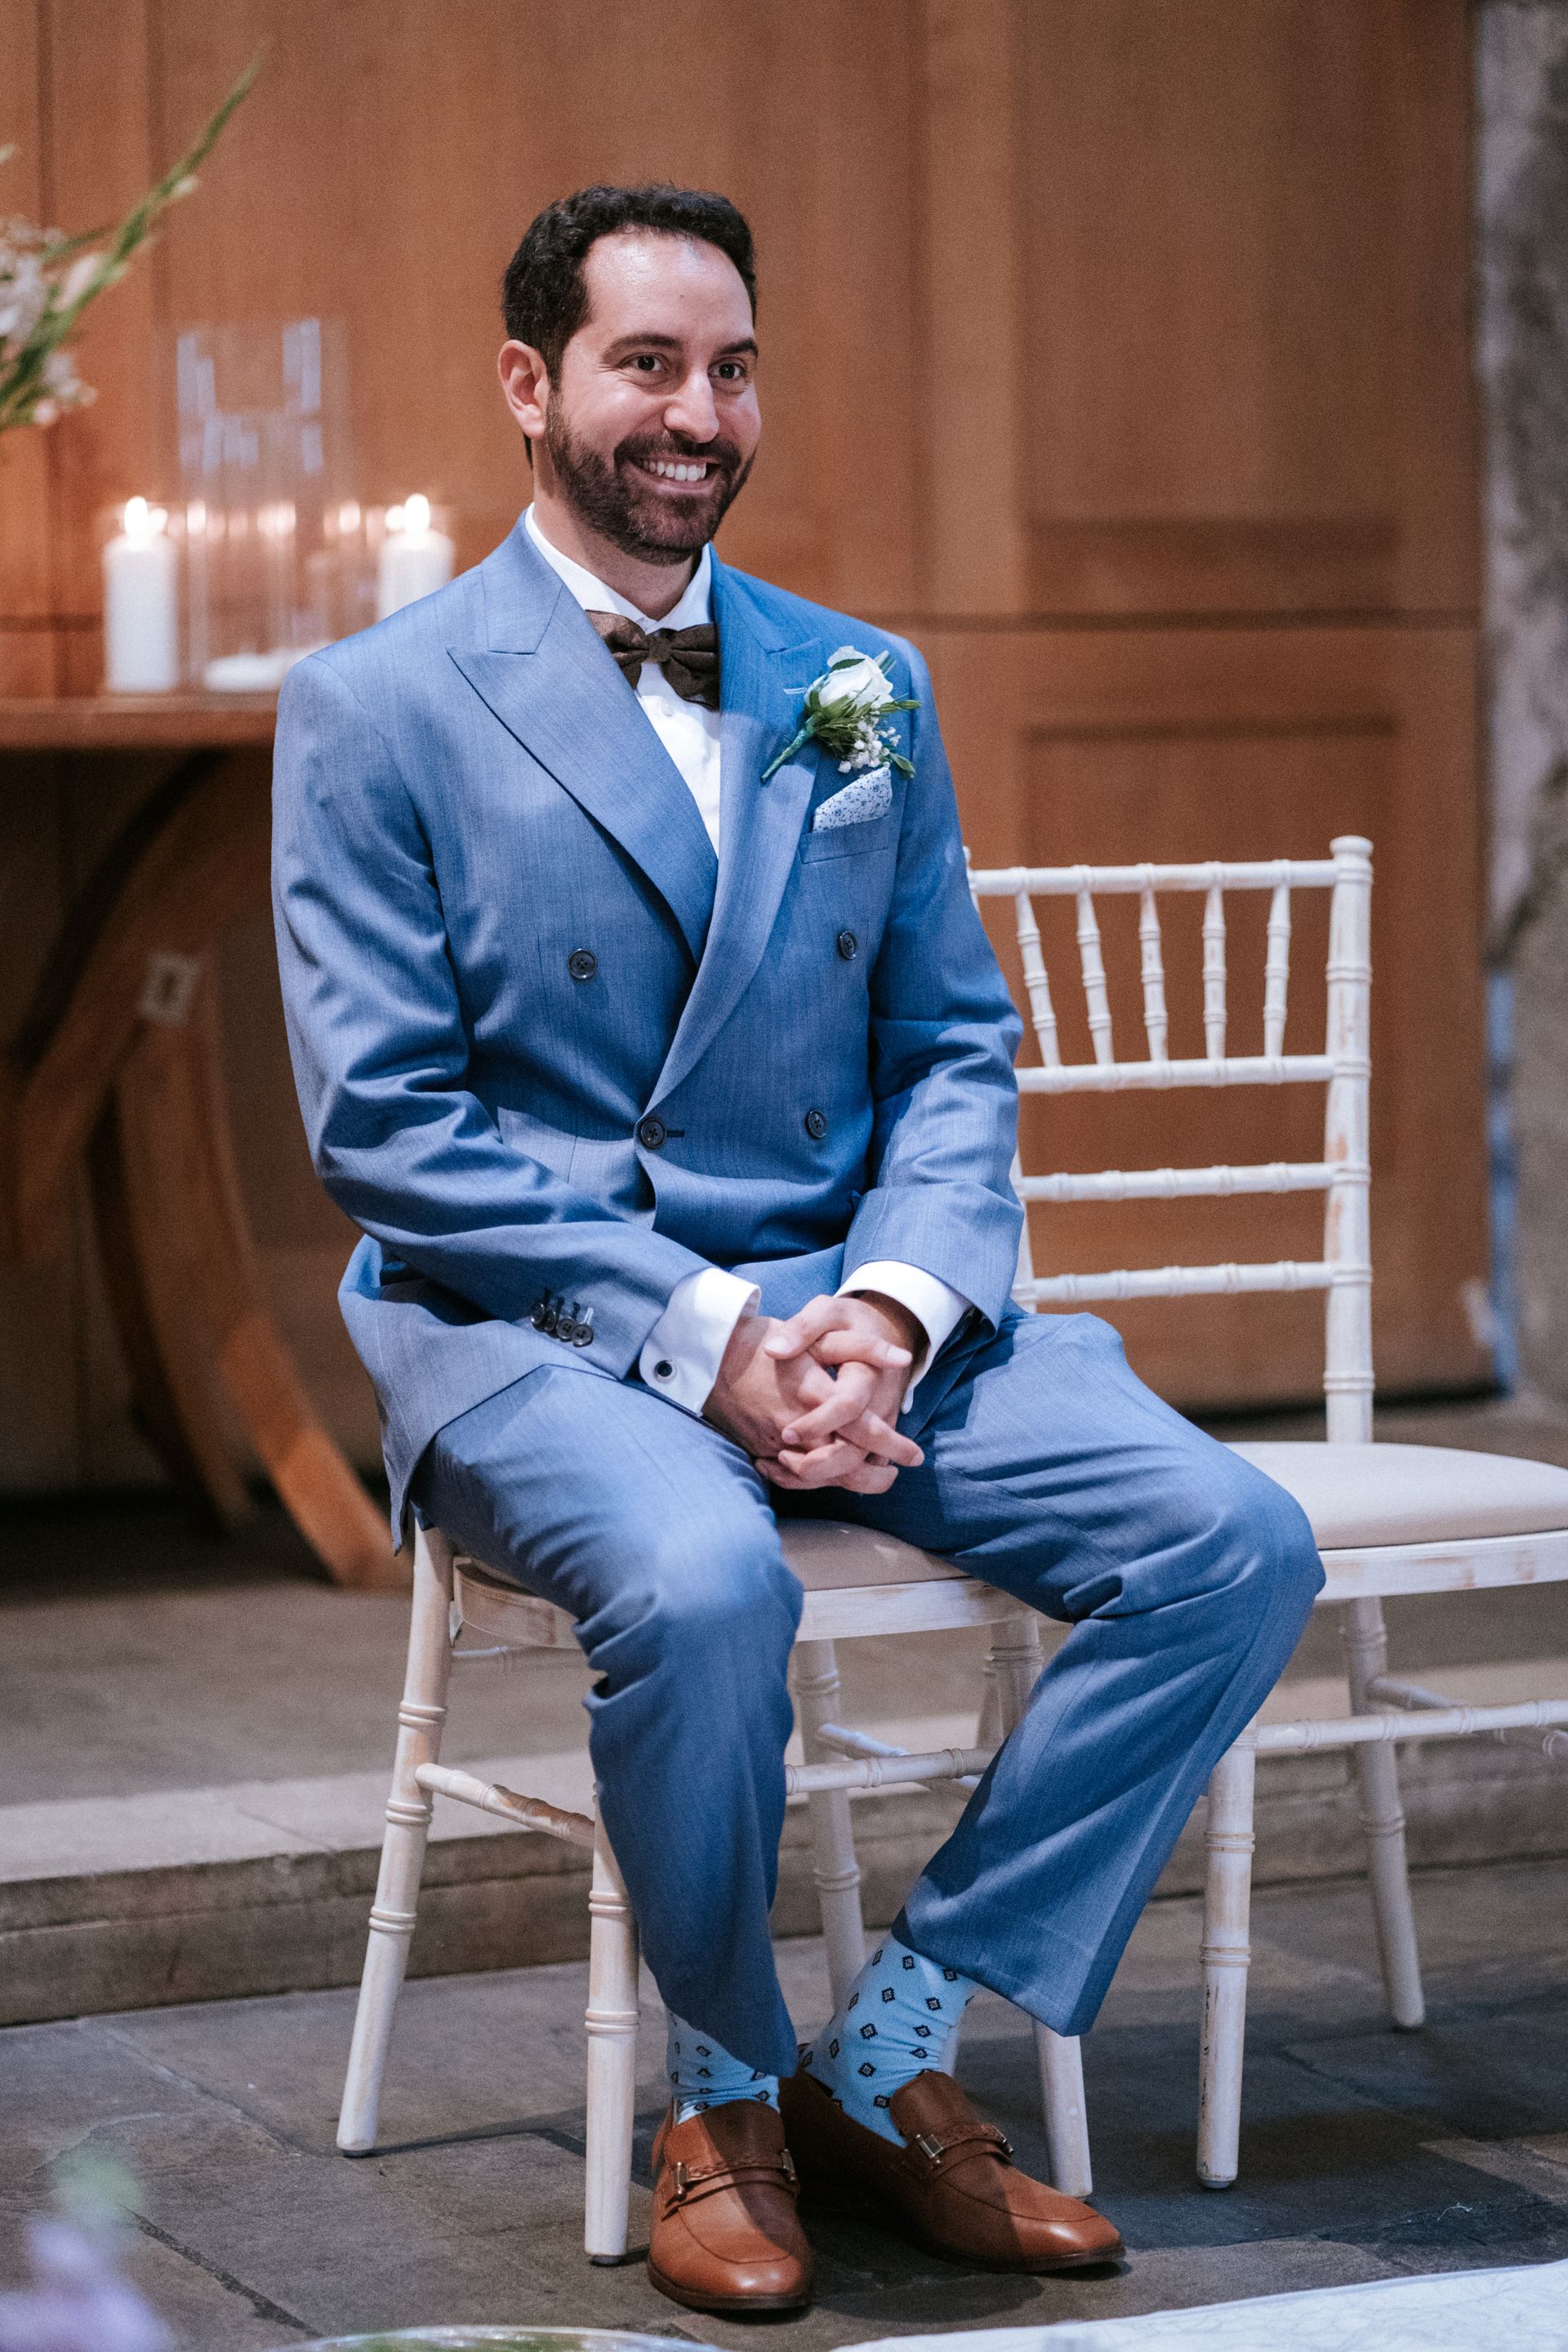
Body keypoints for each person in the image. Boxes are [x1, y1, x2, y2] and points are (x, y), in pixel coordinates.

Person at [272, 182, 1324, 2318]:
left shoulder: (862, 683)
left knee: (1233, 1543)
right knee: (702, 1579)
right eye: (647, 363)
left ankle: (895, 2040)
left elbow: (950, 1046)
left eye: (732, 368)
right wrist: (711, 1333)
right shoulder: (376, 704)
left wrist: (895, 1308)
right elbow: (387, 1129)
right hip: (542, 1324)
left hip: (850, 1310)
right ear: (530, 383)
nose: (698, 412)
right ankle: (724, 2087)